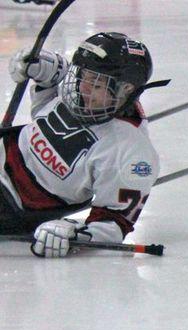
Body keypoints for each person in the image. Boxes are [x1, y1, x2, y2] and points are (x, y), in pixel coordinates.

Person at [1, 32, 159, 257]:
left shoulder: (131, 153)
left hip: (14, 204)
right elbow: (44, 106)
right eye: (83, 76)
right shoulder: (84, 96)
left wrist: (75, 233)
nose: (83, 88)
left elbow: (113, 223)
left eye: (95, 84)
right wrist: (42, 69)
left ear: (125, 89)